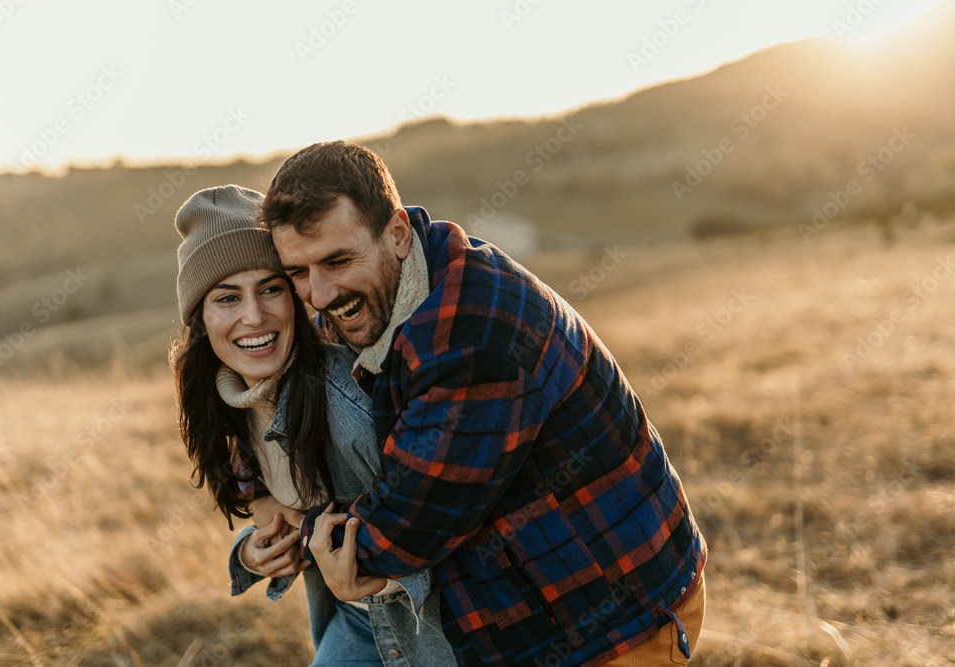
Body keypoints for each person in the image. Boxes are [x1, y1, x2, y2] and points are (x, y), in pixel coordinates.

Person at [252, 141, 708, 666]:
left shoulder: (473, 334)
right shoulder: (393, 284)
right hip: (522, 610)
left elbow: (406, 529)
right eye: (299, 272)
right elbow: (264, 387)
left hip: (612, 623)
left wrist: (304, 534)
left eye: (337, 260)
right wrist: (253, 487)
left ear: (397, 234)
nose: (322, 294)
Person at [169, 184, 456, 666]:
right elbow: (269, 507)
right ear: (200, 318)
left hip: (430, 628)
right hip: (355, 621)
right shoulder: (231, 400)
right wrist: (251, 552)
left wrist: (338, 547)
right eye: (227, 298)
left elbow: (439, 532)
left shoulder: (351, 404)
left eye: (270, 289)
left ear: (296, 297)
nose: (253, 316)